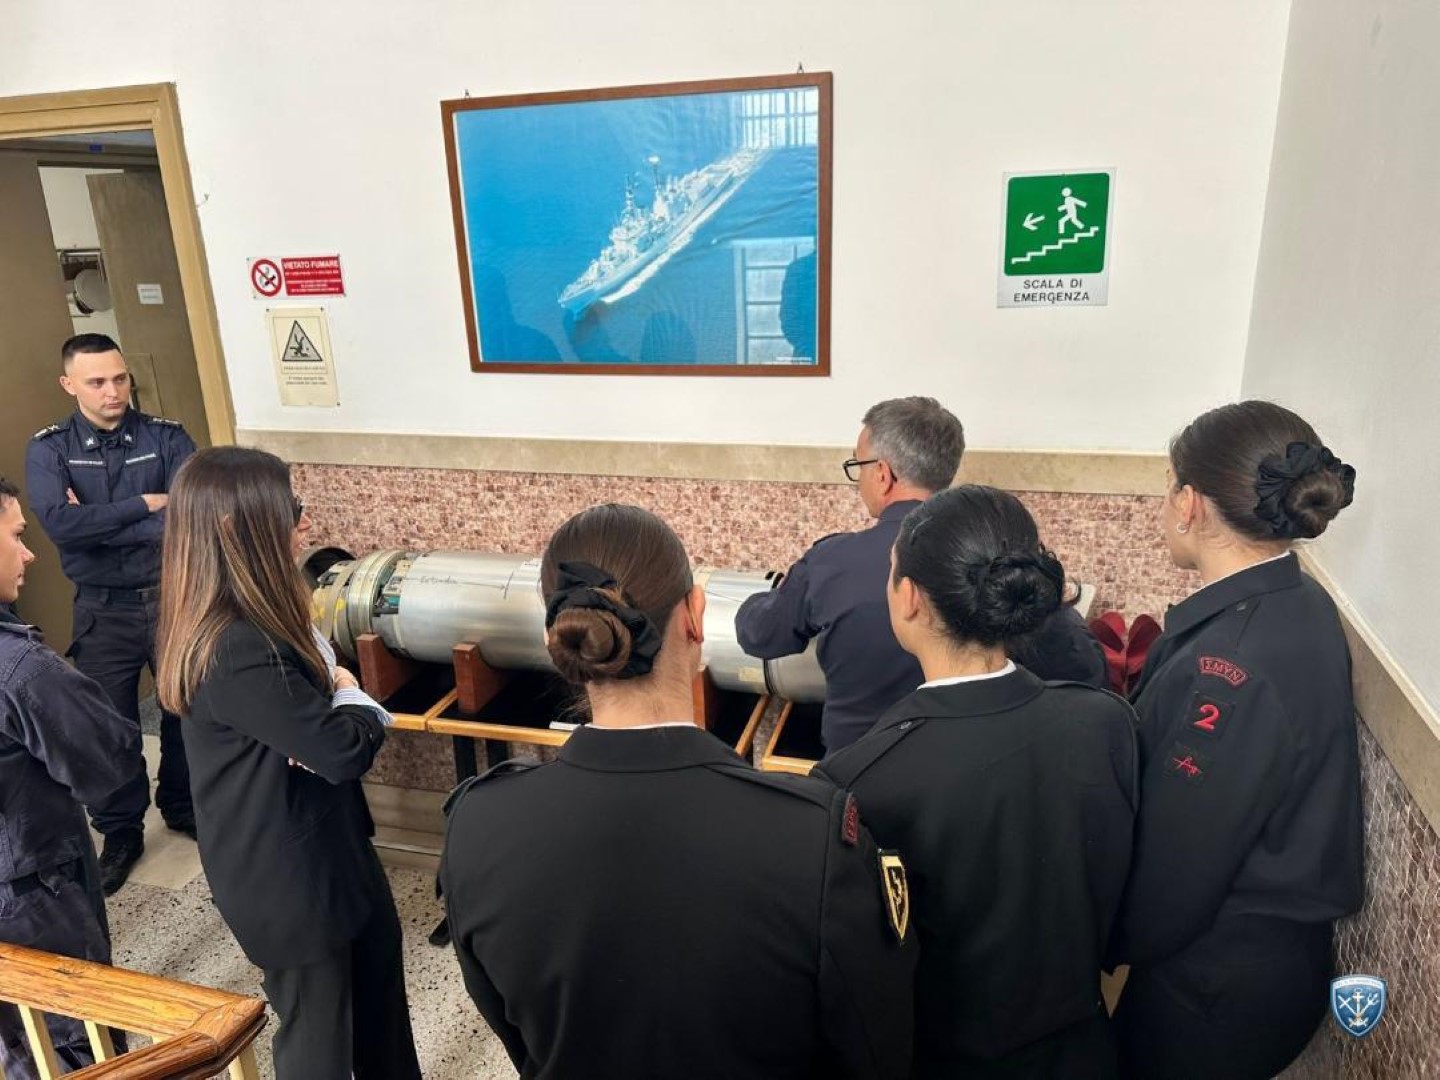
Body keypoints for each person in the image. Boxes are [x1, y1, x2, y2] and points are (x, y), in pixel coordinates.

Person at [441, 503, 916, 1080]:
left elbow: (516, 1035)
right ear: (695, 617)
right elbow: (873, 1047)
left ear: (556, 638)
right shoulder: (812, 837)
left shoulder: (477, 825)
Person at [818, 486, 1138, 1078]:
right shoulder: (1106, 722)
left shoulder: (860, 780)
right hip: (1084, 1049)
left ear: (909, 598)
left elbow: (864, 975)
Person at [1108, 401, 1363, 1079]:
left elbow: (1176, 870)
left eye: (1169, 486)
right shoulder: (1293, 599)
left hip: (1213, 989)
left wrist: (1091, 945)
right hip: (1265, 968)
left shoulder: (1229, 668)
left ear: (1190, 503)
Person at [154, 447, 421, 1080]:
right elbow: (341, 749)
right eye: (291, 508)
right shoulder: (235, 643)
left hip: (327, 843)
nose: (304, 522)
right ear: (237, 527)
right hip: (289, 876)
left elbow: (319, 739)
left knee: (379, 1005)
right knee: (319, 1039)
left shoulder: (256, 615)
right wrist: (350, 693)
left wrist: (326, 710)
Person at [23, 333, 198, 894]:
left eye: (119, 378)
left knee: (184, 711)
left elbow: (189, 518)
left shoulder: (166, 437)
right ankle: (121, 830)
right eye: (96, 382)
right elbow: (60, 525)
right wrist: (144, 504)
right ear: (69, 384)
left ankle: (181, 804)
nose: (112, 391)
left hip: (172, 597)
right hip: (104, 610)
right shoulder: (50, 449)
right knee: (108, 726)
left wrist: (98, 522)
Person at [0, 476, 144, 1078]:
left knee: (15, 1040)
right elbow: (110, 763)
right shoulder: (22, 668)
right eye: (16, 536)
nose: (30, 553)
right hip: (31, 893)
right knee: (76, 1039)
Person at [736, 396, 965, 751]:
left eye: (858, 465)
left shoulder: (834, 561)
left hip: (856, 768)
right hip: (963, 762)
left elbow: (762, 635)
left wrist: (759, 600)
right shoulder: (990, 557)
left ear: (882, 474)